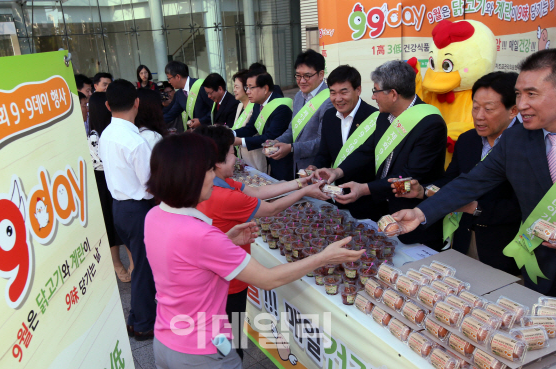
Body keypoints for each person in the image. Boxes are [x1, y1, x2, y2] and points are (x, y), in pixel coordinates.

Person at [144, 133, 363, 368]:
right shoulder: (201, 235)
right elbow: (269, 279)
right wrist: (324, 257)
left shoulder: (154, 215)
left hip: (166, 339)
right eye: (209, 170)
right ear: (191, 177)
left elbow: (186, 260)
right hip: (202, 351)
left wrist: (225, 239)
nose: (212, 176)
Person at [392, 49, 556, 304]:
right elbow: (470, 181)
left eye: (532, 94)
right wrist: (420, 213)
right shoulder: (516, 139)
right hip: (540, 270)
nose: (522, 104)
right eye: (518, 93)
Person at [193, 125, 329, 360]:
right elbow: (271, 208)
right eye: (231, 153)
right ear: (217, 162)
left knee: (221, 332)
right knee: (231, 337)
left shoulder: (212, 182)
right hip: (231, 278)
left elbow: (255, 191)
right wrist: (306, 192)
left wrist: (300, 183)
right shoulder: (225, 196)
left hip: (213, 274)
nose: (235, 157)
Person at [390, 72, 522, 275]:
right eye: (475, 107)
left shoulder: (527, 144)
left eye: (488, 109)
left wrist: (475, 208)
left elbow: (523, 206)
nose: (478, 116)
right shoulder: (468, 139)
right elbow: (451, 181)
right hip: (464, 238)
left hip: (507, 246)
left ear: (513, 110)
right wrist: (423, 192)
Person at [315, 60, 447, 249]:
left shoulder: (430, 124)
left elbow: (409, 179)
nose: (373, 97)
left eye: (376, 91)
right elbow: (367, 150)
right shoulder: (385, 116)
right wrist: (337, 172)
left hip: (413, 219)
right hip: (384, 214)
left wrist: (364, 189)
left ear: (393, 94)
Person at [98, 79, 157, 340]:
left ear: (108, 105)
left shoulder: (107, 133)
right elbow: (149, 186)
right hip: (137, 209)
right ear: (137, 102)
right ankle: (144, 324)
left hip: (119, 209)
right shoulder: (136, 141)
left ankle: (134, 318)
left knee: (139, 266)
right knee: (144, 269)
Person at [309, 65, 382, 221]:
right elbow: (324, 152)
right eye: (333, 93)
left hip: (365, 202)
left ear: (358, 90)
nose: (338, 98)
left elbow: (369, 157)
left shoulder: (375, 118)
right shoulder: (329, 116)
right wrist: (315, 168)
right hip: (334, 198)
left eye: (344, 92)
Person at [87, 92, 134, 283]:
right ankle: (116, 263)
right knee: (110, 225)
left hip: (115, 181)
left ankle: (133, 262)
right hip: (103, 184)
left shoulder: (115, 131)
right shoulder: (95, 136)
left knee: (124, 226)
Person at [269, 49, 333, 175]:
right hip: (297, 166)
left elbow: (322, 142)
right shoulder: (299, 96)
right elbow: (292, 130)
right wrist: (276, 142)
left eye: (307, 76)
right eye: (298, 75)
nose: (301, 81)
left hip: (317, 168)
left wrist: (291, 148)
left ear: (321, 74)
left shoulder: (329, 100)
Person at [233, 70, 293, 180]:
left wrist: (240, 141)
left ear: (265, 89)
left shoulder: (280, 107)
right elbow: (251, 127)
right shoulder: (257, 104)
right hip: (270, 160)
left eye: (251, 88)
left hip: (284, 162)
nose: (248, 92)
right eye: (246, 88)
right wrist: (231, 133)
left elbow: (270, 136)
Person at [232, 69, 267, 173]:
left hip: (255, 158)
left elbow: (251, 130)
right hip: (242, 158)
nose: (234, 90)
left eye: (237, 87)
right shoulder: (239, 106)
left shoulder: (255, 107)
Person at [162, 61, 214, 130]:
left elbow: (216, 108)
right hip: (198, 133)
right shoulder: (179, 94)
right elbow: (171, 114)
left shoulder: (201, 86)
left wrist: (201, 121)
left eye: (169, 78)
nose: (169, 82)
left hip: (211, 130)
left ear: (178, 77)